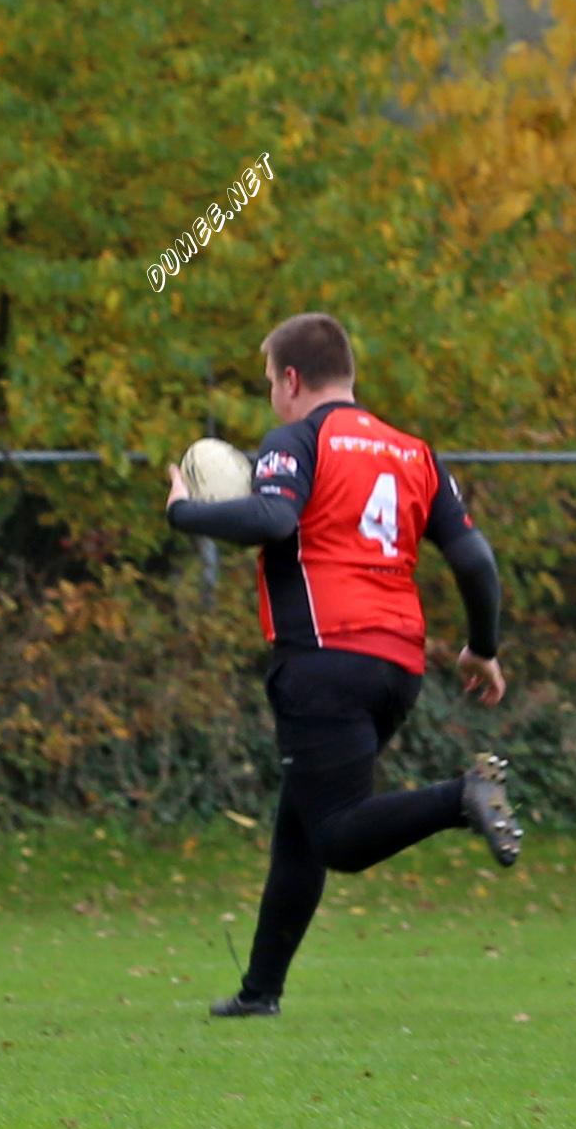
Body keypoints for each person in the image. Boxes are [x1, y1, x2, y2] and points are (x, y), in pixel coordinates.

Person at [164, 312, 516, 1017]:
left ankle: (462, 795)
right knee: (302, 821)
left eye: (270, 383)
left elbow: (271, 521)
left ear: (292, 379)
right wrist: (482, 646)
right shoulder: (414, 451)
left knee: (339, 835)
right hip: (397, 668)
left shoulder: (297, 439)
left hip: (324, 659)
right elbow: (475, 560)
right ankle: (260, 991)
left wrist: (183, 513)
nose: (271, 397)